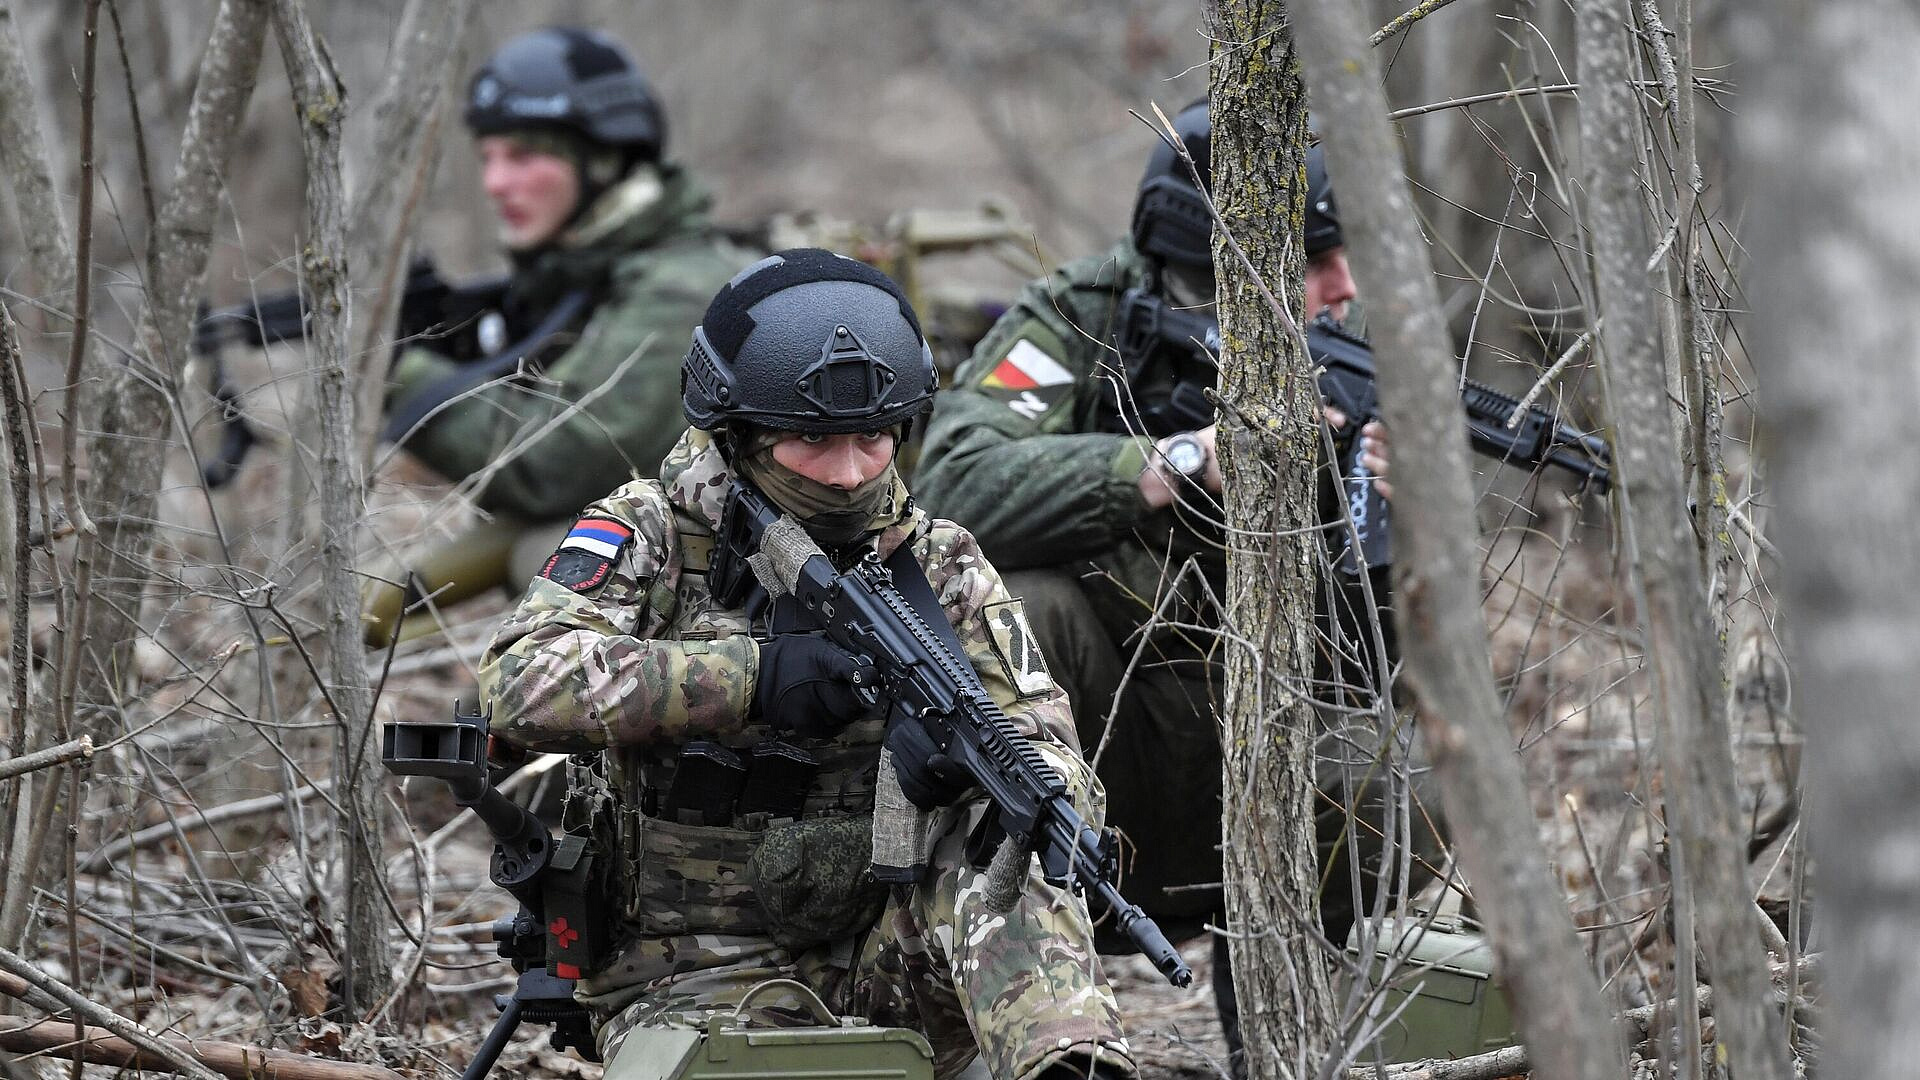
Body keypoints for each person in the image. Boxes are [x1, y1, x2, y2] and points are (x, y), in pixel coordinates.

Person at [478, 249, 1136, 1080]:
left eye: (872, 438)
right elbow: (519, 682)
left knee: (1017, 834)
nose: (850, 472)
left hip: (893, 955)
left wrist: (963, 771)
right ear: (740, 435)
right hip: (685, 970)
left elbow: (1045, 742)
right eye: (813, 440)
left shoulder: (940, 563)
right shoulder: (650, 533)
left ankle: (1069, 1060)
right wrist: (750, 680)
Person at [912, 99, 1446, 1028]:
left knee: (1404, 778)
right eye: (1315, 260)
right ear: (1222, 266)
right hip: (1088, 756)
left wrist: (1398, 526)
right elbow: (953, 484)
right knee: (1024, 608)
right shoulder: (1083, 317)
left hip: (1257, 758)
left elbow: (1375, 669)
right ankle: (1016, 1007)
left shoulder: (1354, 355)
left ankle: (1280, 1035)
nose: (1344, 286)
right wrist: (1178, 462)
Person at [364, 26, 752, 648]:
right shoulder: (590, 270)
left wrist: (395, 373)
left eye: (523, 156)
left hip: (757, 582)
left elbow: (555, 466)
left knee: (547, 552)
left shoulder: (679, 288)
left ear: (602, 161)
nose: (494, 182)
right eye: (488, 157)